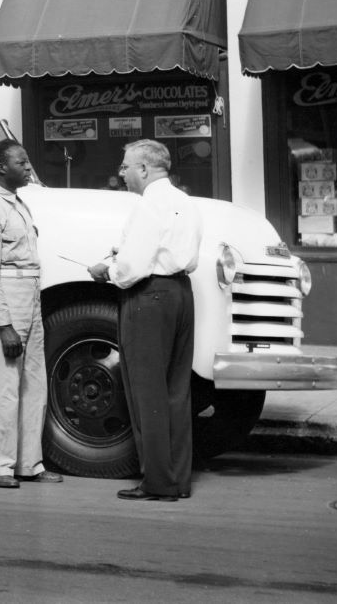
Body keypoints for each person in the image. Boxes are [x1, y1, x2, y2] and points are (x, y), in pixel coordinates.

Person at [88, 139, 201, 502]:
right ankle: (177, 480)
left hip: (149, 299)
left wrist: (107, 270)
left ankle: (157, 483)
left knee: (146, 394)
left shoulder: (148, 204)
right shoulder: (185, 200)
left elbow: (133, 267)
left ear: (144, 169)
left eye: (125, 166)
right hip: (182, 294)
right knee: (175, 392)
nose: (121, 173)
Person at [0, 139, 62, 489]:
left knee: (33, 385)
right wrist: (4, 325)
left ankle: (28, 464)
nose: (28, 167)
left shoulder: (18, 205)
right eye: (21, 162)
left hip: (30, 298)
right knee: (4, 387)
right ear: (0, 169)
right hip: (6, 301)